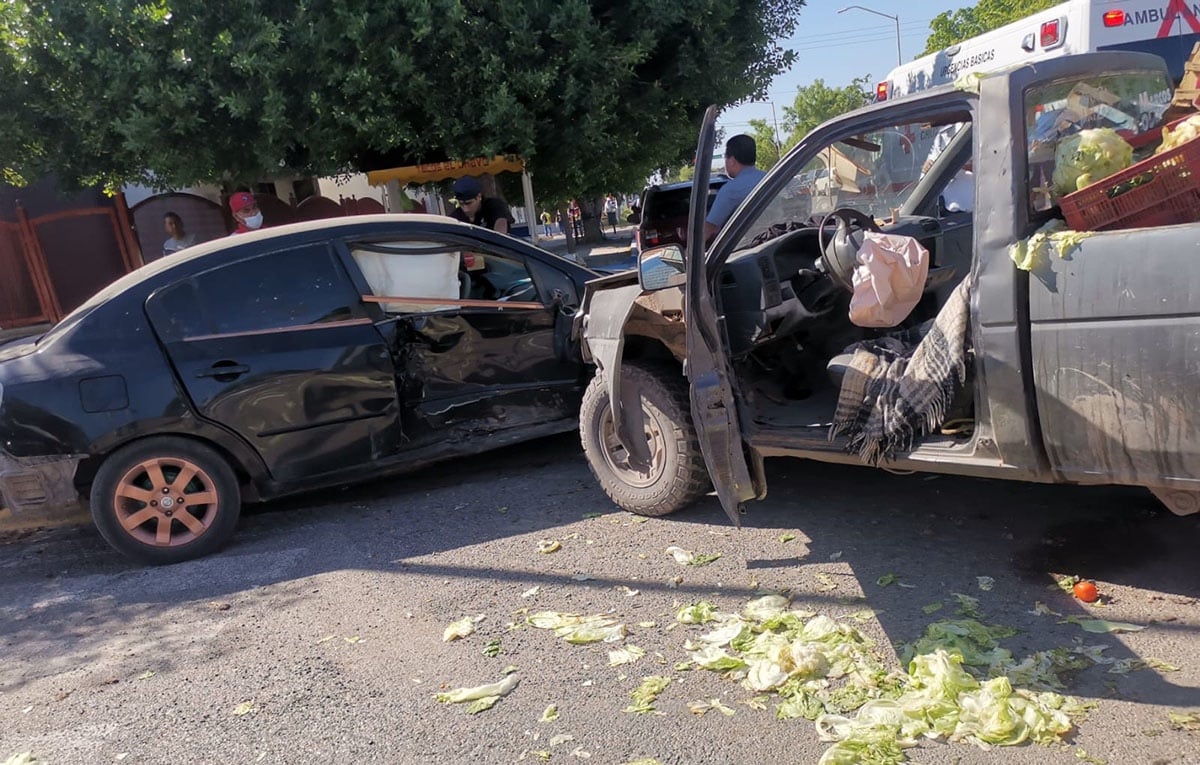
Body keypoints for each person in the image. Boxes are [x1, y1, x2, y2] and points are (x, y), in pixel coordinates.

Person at [703, 134, 767, 242]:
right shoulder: (770, 178)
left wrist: (687, 253)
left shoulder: (730, 191)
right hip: (778, 240)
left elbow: (709, 229)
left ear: (732, 160)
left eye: (725, 157)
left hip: (747, 248)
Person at [449, 176, 514, 234]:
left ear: (479, 197)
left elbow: (501, 235)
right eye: (461, 204)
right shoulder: (457, 215)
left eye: (469, 203)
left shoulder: (494, 206)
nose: (465, 209)